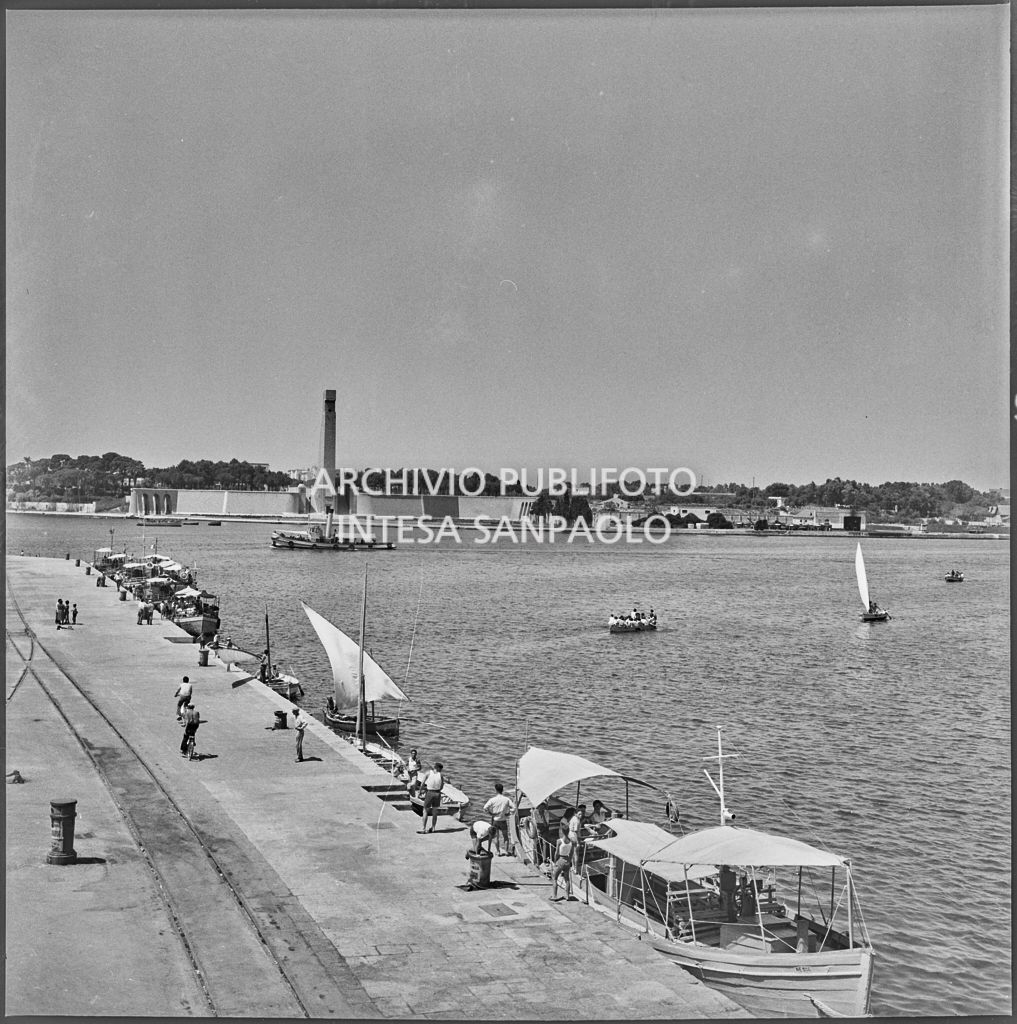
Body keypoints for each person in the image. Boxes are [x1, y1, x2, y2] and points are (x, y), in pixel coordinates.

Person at [483, 783, 515, 856]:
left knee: (496, 837)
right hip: (503, 820)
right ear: (502, 790)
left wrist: (491, 813)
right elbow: (514, 808)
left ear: (496, 790)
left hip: (495, 821)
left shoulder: (492, 800)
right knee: (506, 837)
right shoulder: (507, 799)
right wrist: (508, 813)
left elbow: (485, 808)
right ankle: (506, 851)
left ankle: (498, 851)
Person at [419, 761, 444, 834]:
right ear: (439, 768)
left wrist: (420, 791)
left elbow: (422, 783)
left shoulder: (428, 773)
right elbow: (442, 786)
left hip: (430, 792)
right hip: (437, 793)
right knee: (435, 812)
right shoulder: (441, 775)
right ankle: (433, 828)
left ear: (435, 767)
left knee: (425, 810)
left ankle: (423, 828)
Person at [549, 830, 574, 901]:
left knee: (554, 878)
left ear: (562, 832)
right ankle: (567, 896)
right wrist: (569, 860)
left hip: (560, 860)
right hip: (567, 861)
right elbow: (571, 853)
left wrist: (555, 861)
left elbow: (556, 853)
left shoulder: (559, 841)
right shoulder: (571, 841)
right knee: (567, 879)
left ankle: (554, 896)